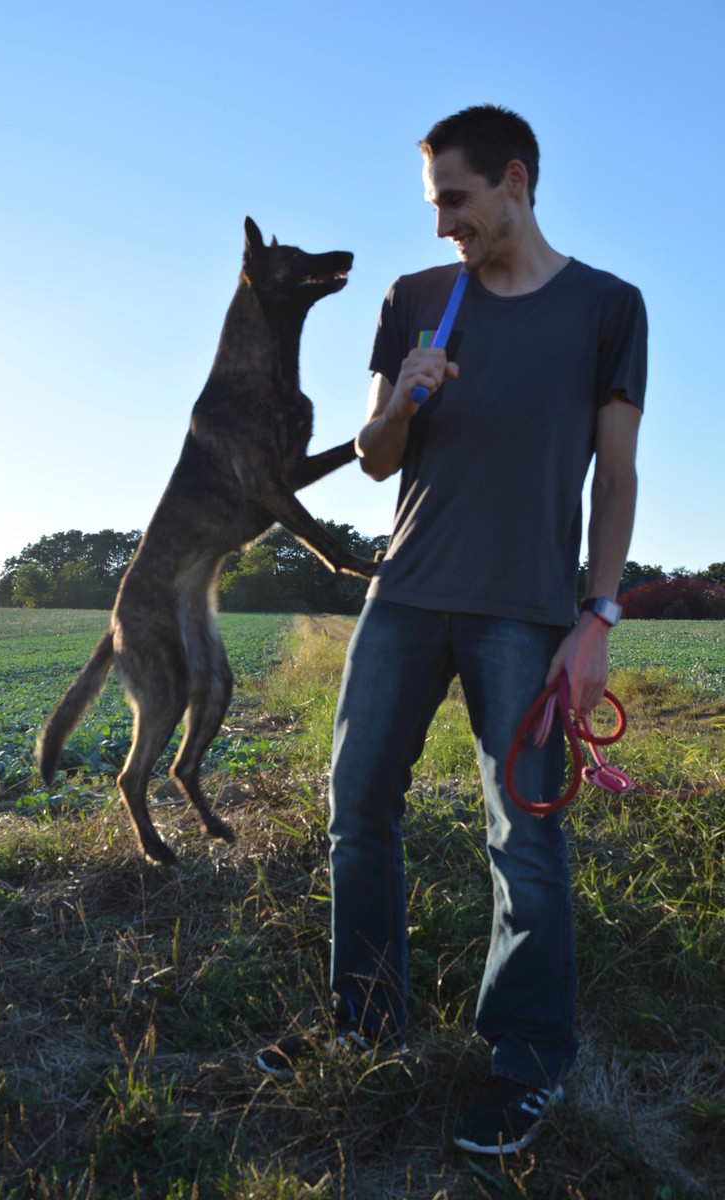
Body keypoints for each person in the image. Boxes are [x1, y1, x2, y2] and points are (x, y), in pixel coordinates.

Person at [257, 104, 647, 1157]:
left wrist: (596, 614)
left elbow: (614, 477)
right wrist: (403, 403)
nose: (443, 228)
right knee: (356, 813)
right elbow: (376, 456)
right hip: (404, 594)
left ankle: (525, 1062)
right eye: (434, 206)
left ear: (514, 180)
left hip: (523, 611)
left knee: (522, 836)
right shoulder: (416, 298)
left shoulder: (608, 308)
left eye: (455, 202)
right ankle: (364, 1020)